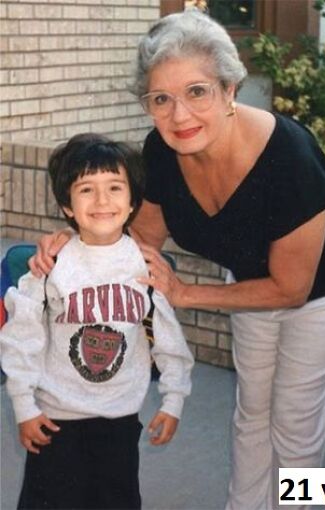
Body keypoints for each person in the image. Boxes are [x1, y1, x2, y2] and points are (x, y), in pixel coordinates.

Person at [30, 10, 325, 510]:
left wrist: (184, 294)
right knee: (251, 414)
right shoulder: (161, 151)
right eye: (162, 99)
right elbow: (140, 238)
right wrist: (69, 245)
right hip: (247, 280)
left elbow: (291, 287)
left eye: (197, 91)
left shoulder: (288, 157)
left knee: (294, 429)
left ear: (230, 89)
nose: (180, 116)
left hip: (322, 291)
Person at [0, 133, 194, 509]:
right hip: (55, 419)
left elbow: (170, 342)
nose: (103, 201)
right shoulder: (50, 264)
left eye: (115, 187)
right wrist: (24, 405)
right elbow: (21, 338)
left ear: (133, 200)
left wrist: (173, 400)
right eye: (86, 189)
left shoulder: (148, 266)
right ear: (67, 205)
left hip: (119, 418)